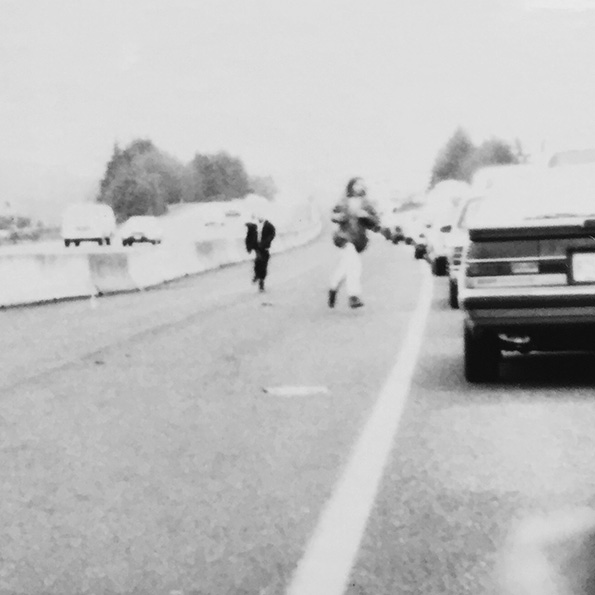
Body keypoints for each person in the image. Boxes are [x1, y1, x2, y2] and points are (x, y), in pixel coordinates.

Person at [328, 177, 380, 309]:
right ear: (351, 186)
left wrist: (366, 216)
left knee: (345, 267)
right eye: (357, 185)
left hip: (359, 240)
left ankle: (333, 287)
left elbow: (376, 222)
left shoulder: (367, 203)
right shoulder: (343, 201)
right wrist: (339, 217)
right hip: (344, 238)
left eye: (362, 185)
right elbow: (333, 215)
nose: (359, 187)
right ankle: (353, 296)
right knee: (355, 265)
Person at [245, 211, 276, 292]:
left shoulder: (268, 226)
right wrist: (249, 247)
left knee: (263, 264)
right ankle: (257, 276)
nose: (259, 218)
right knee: (258, 263)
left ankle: (261, 281)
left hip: (264, 247)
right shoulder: (254, 226)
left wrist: (266, 242)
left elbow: (272, 234)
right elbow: (249, 236)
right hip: (257, 248)